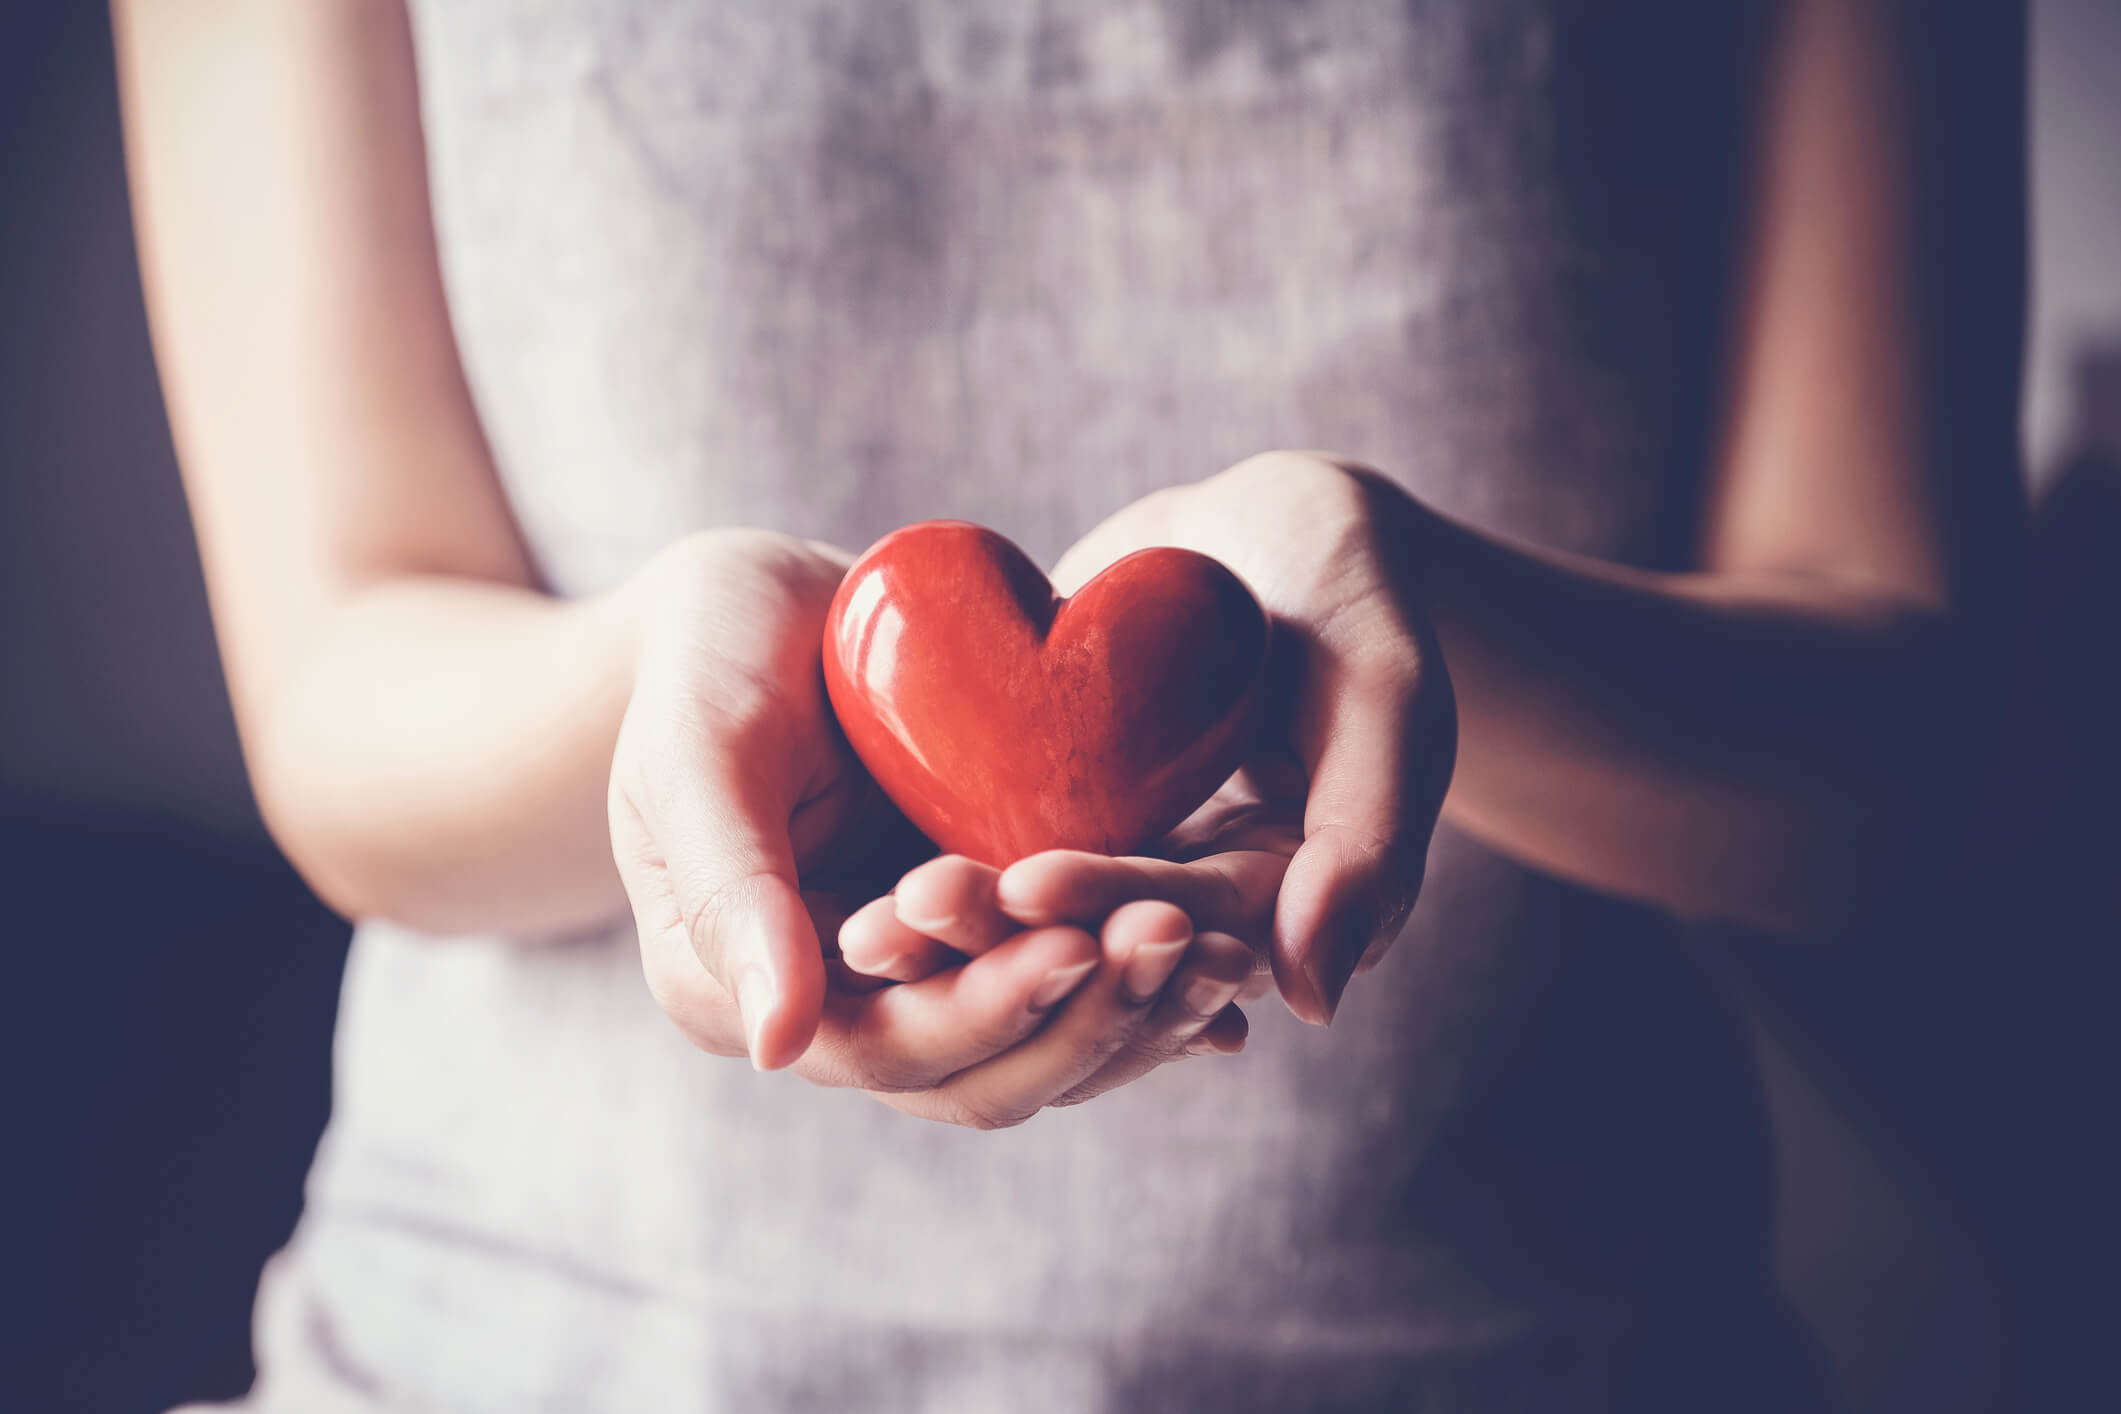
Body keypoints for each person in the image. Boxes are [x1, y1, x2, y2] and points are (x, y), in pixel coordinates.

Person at [116, 0, 2021, 1408]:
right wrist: (662, 686)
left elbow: (1894, 772)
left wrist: (1416, 617)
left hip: (1526, 1352)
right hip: (515, 1349)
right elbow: (335, 693)